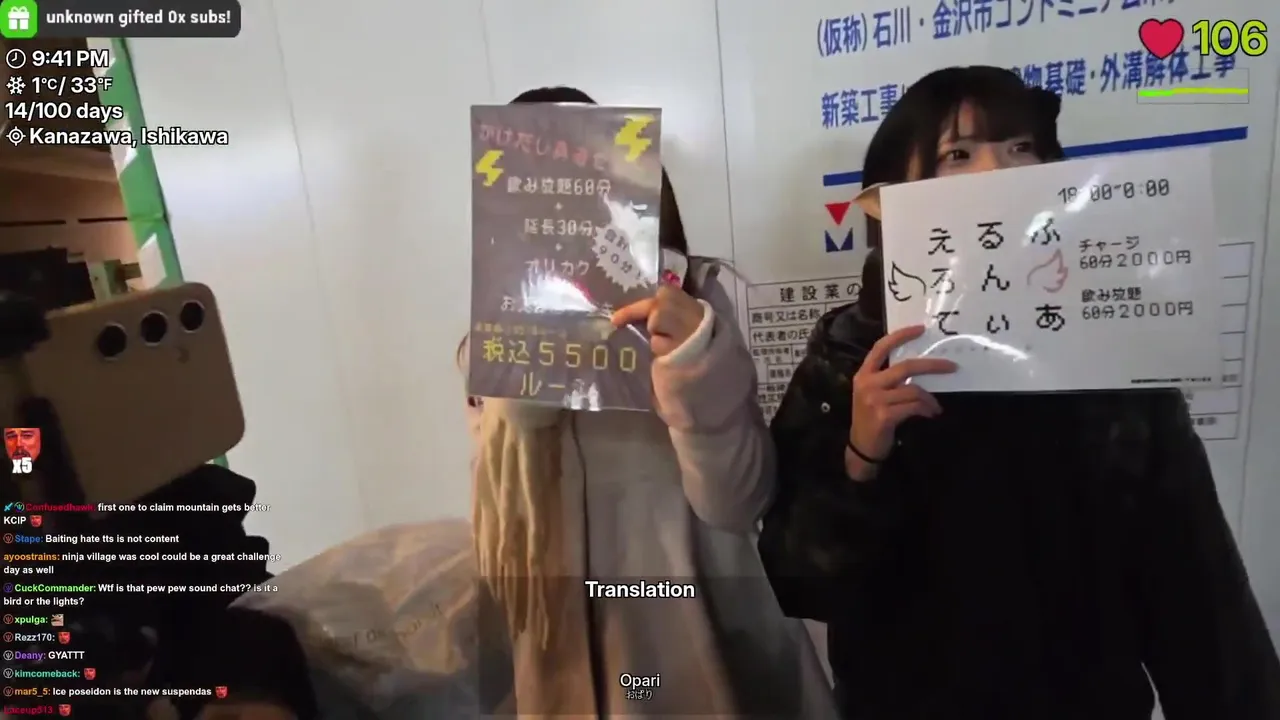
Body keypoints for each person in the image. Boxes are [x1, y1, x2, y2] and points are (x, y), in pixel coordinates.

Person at [759, 65, 1280, 719]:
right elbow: (798, 581)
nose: (997, 174)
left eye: (1021, 149)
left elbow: (1194, 590)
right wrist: (862, 457)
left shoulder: (1115, 358)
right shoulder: (852, 354)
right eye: (957, 155)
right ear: (890, 197)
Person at [461, 86, 836, 717]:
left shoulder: (694, 306)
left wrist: (693, 362)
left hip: (697, 639)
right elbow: (500, 519)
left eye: (585, 173)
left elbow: (738, 503)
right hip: (567, 651)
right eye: (533, 184)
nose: (564, 203)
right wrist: (525, 371)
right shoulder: (489, 347)